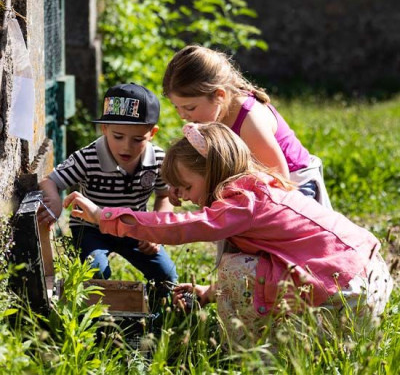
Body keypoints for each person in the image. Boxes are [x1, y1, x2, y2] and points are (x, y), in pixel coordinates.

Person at [63, 122, 392, 345]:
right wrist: (209, 293)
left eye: (188, 186)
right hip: (366, 277)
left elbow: (181, 227)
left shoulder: (242, 204)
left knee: (235, 269)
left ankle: (250, 352)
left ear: (213, 171)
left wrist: (105, 216)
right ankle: (322, 338)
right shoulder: (256, 191)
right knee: (244, 265)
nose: (186, 197)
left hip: (348, 291)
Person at [39, 83, 178, 308]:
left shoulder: (158, 160)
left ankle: (157, 316)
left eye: (137, 139)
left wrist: (156, 231)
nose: (126, 147)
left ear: (152, 133)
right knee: (97, 274)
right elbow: (49, 181)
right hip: (92, 230)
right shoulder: (87, 158)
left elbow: (164, 195)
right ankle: (102, 318)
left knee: (167, 276)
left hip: (134, 228)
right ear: (104, 129)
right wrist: (54, 201)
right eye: (118, 136)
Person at [162, 44, 332, 208]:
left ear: (219, 95)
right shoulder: (210, 116)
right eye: (176, 107)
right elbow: (201, 164)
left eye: (189, 108)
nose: (183, 115)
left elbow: (279, 182)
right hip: (255, 185)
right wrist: (181, 182)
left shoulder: (250, 122)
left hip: (295, 185)